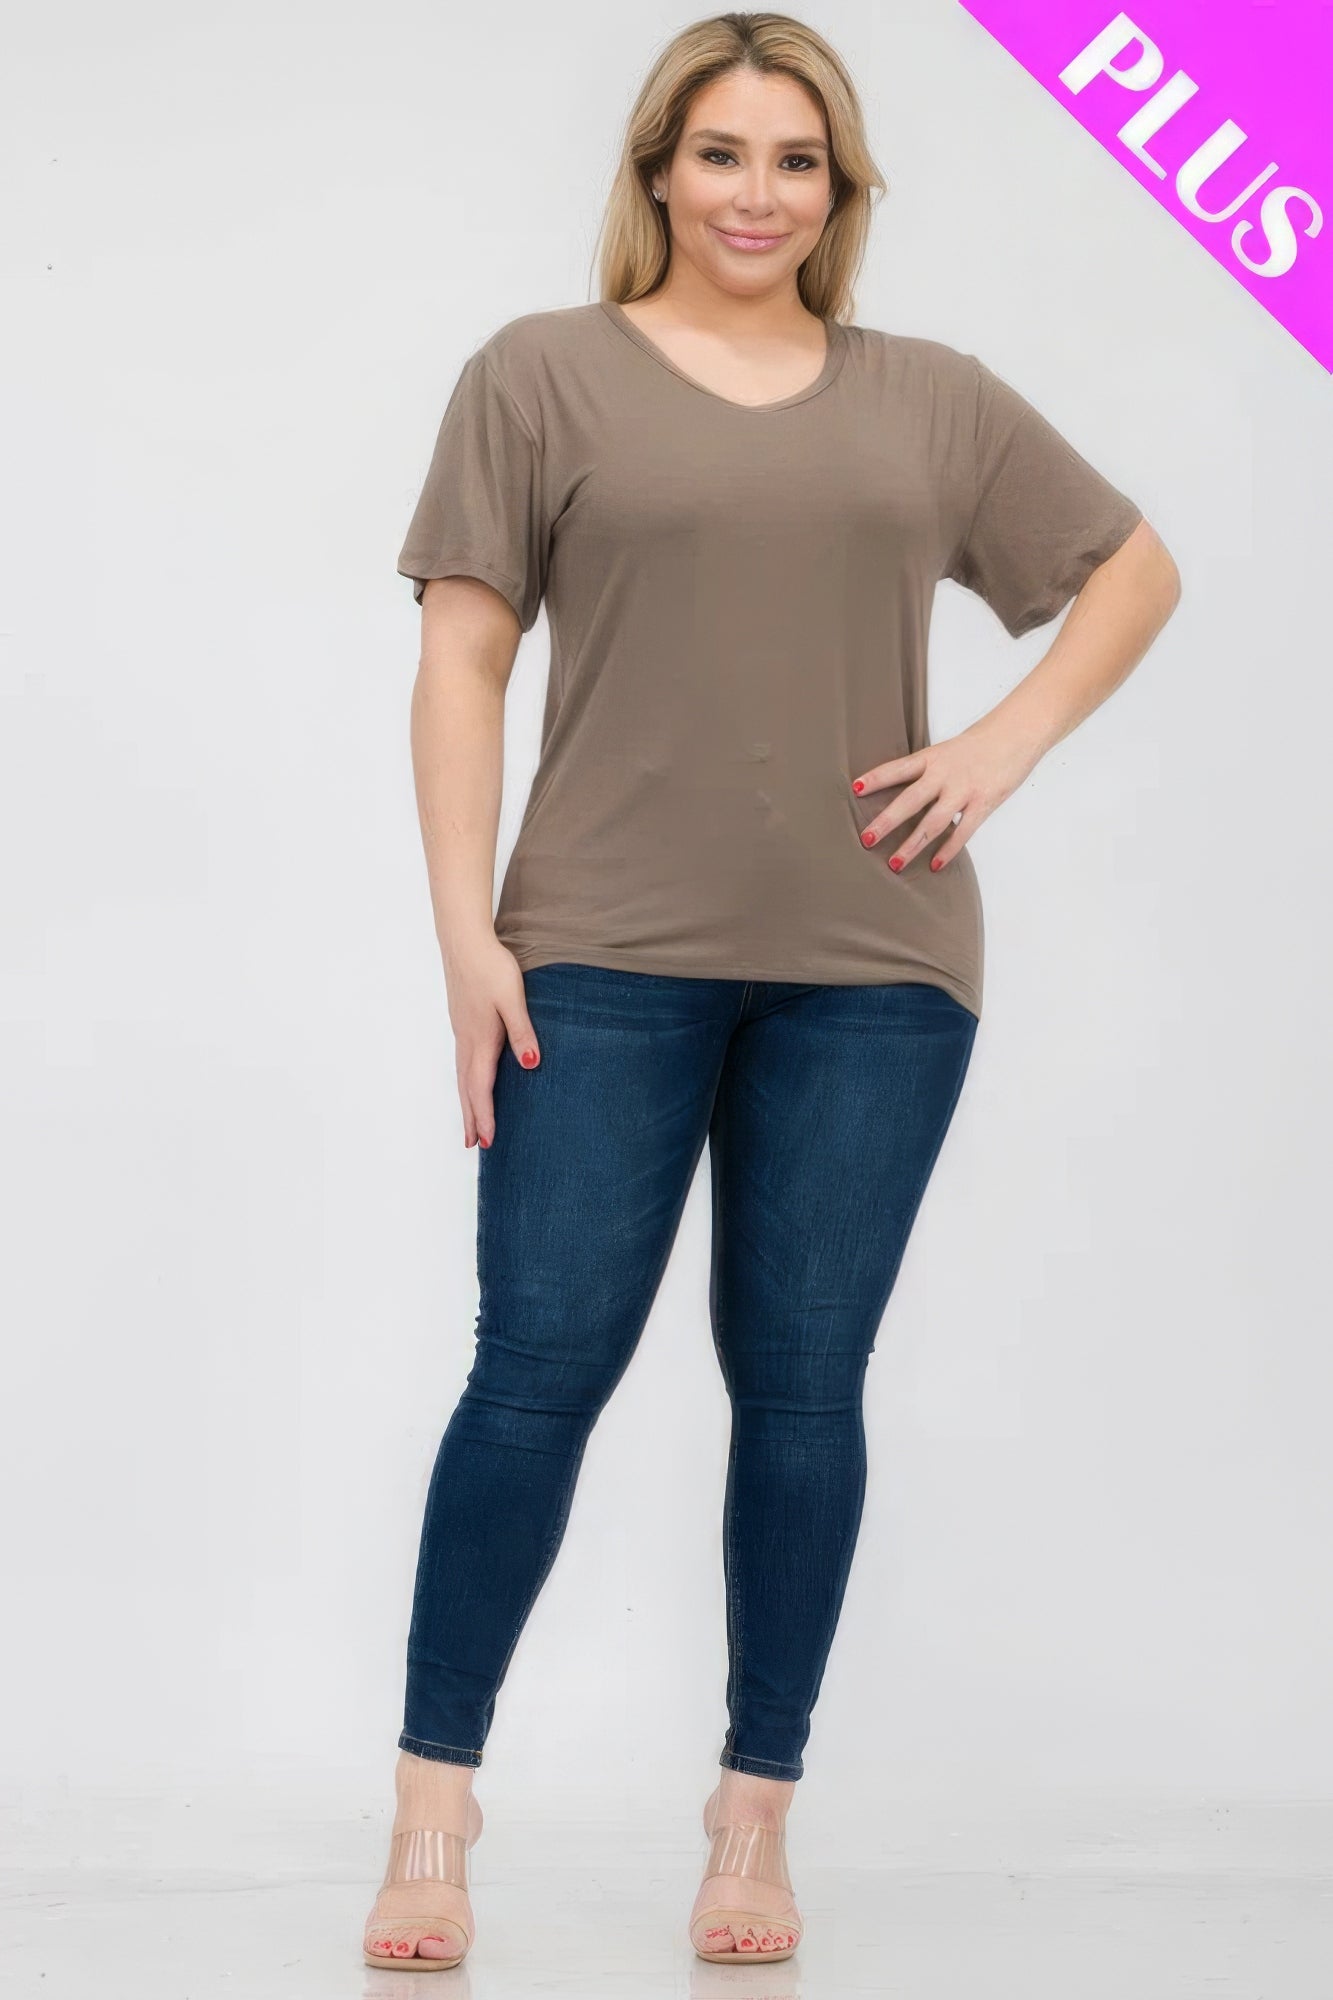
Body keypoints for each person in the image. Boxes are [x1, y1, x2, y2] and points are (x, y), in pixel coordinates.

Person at [362, 9, 1181, 1973]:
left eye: (796, 160)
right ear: (657, 169)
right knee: (537, 1367)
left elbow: (1133, 569)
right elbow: (463, 658)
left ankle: (753, 1822)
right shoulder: (538, 373)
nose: (757, 193)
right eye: (721, 153)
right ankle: (431, 1813)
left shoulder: (929, 399)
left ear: (841, 187)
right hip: (596, 951)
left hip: (874, 965)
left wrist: (997, 746)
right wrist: (466, 932)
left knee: (803, 1387)